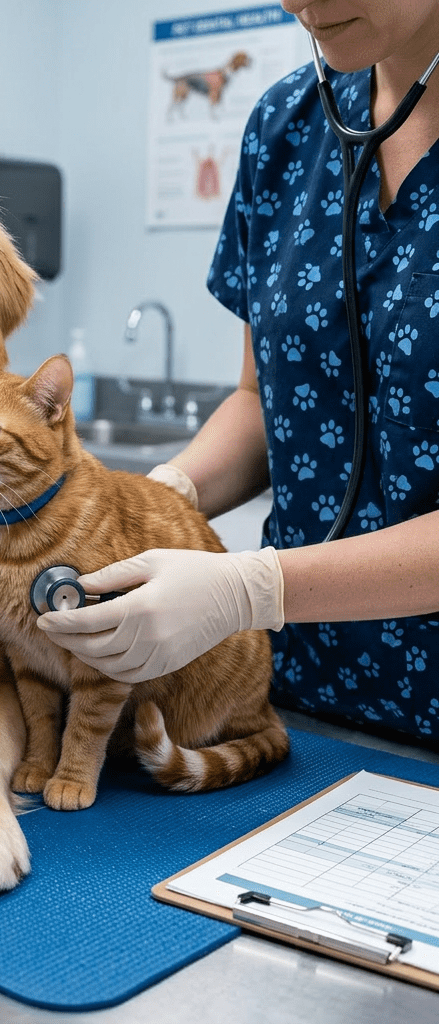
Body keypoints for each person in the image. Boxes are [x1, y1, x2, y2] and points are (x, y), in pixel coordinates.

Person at [39, 0, 439, 742]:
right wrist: (161, 498)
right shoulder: (286, 127)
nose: (297, 2)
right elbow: (266, 403)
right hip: (305, 700)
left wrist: (255, 587)